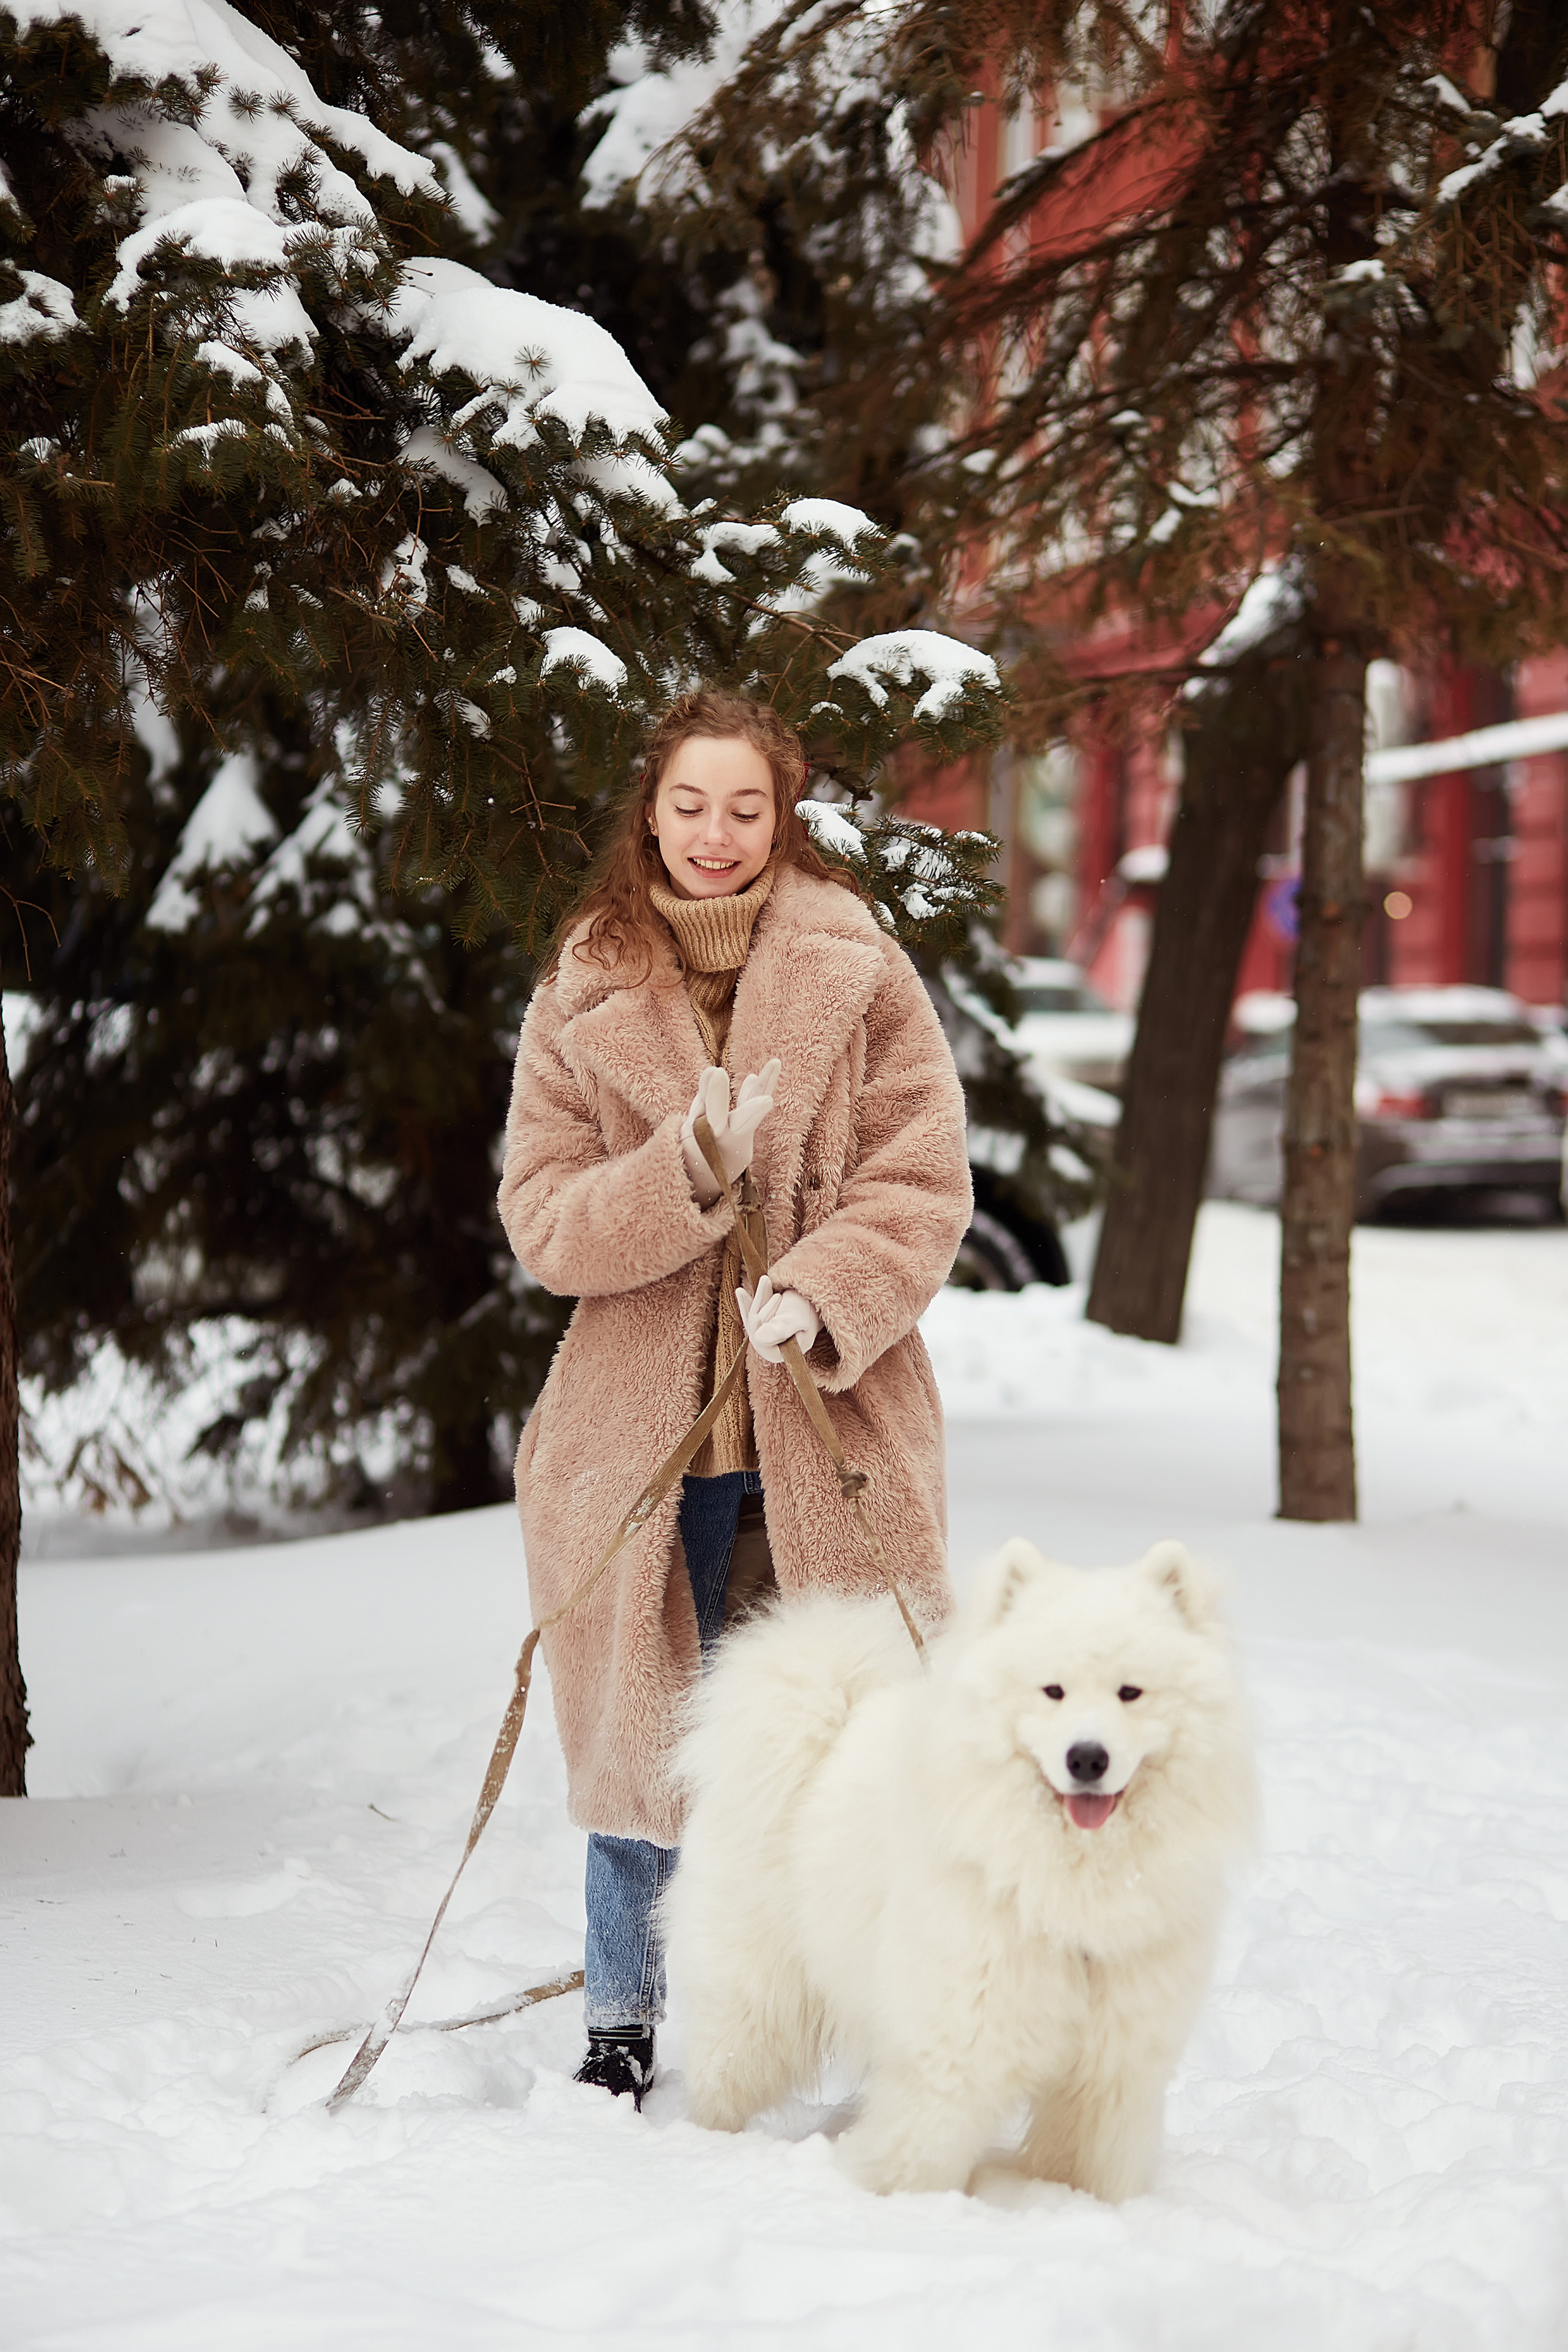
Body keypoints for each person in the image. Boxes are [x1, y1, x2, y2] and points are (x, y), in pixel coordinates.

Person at [497, 689, 971, 2106]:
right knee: (639, 1749)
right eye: (690, 805)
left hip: (829, 1435)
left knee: (848, 1749)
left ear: (783, 815)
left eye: (744, 808)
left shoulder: (857, 969)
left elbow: (921, 1179)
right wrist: (686, 1176)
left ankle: (862, 2023)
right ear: (649, 812)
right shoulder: (583, 987)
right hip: (638, 1450)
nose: (716, 834)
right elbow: (543, 1221)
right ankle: (620, 2024)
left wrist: (823, 1292)